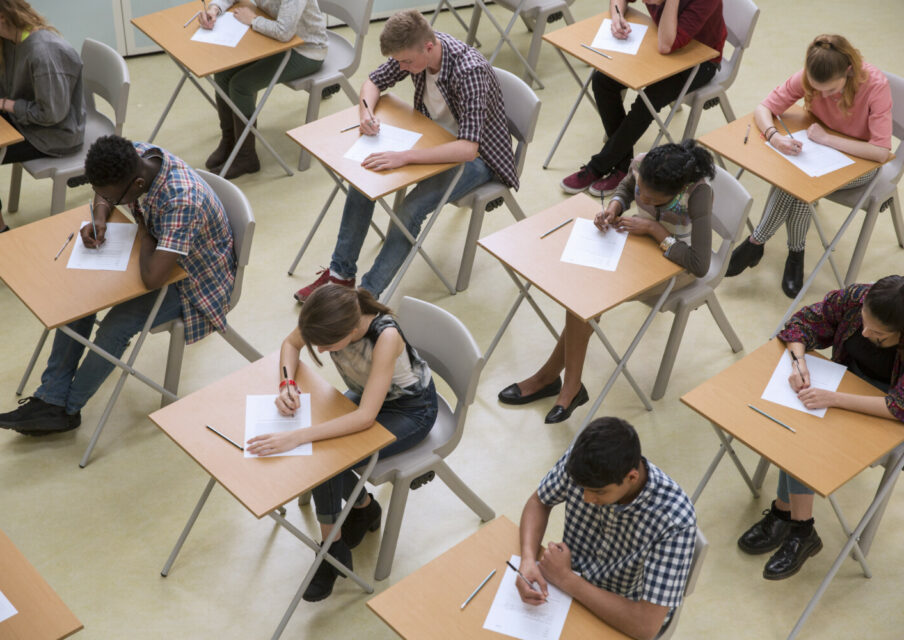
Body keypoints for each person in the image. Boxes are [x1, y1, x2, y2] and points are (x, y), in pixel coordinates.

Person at [0, 135, 235, 435]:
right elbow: (104, 193)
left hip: (195, 282)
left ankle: (67, 409)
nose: (108, 200)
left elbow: (153, 278)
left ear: (136, 185)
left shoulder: (181, 201)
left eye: (113, 198)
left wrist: (148, 233)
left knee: (117, 325)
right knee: (80, 297)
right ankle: (51, 398)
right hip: (158, 256)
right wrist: (100, 216)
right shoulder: (134, 155)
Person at [293, 9, 517, 303]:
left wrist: (405, 157)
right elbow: (372, 83)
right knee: (363, 179)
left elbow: (467, 148)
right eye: (398, 61)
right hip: (430, 140)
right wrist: (366, 113)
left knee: (409, 211)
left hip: (480, 159)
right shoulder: (413, 54)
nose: (402, 67)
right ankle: (340, 276)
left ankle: (366, 297)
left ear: (428, 46)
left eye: (406, 62)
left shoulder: (468, 71)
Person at [246, 283, 437, 602]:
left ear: (351, 328)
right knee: (321, 454)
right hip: (369, 398)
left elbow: (364, 418)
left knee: (325, 459)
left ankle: (331, 551)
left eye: (327, 345)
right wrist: (287, 384)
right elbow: (290, 344)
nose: (320, 351)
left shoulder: (385, 337)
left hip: (411, 410)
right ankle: (361, 509)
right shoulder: (330, 316)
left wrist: (295, 436)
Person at [499, 141, 715, 423]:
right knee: (584, 295)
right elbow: (626, 188)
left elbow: (700, 264)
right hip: (637, 246)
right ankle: (558, 382)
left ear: (675, 192)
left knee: (587, 298)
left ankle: (556, 381)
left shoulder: (698, 194)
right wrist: (614, 207)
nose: (644, 201)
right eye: (643, 195)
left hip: (676, 264)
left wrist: (654, 229)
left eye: (652, 201)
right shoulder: (642, 164)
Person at [737, 275, 904, 580]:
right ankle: (795, 522)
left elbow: (899, 407)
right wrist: (798, 361)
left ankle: (791, 518)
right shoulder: (856, 298)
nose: (864, 333)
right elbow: (800, 323)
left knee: (803, 437)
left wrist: (833, 399)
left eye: (878, 335)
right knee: (796, 426)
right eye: (863, 323)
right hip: (843, 385)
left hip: (884, 413)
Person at [725, 34, 893, 298]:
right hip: (818, 150)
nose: (822, 95)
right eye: (816, 89)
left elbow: (881, 152)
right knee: (799, 183)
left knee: (802, 183)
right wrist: (774, 137)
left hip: (860, 163)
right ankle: (795, 254)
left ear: (848, 71)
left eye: (830, 90)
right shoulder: (810, 75)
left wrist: (828, 140)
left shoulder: (875, 85)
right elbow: (764, 107)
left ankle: (756, 241)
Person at [517, 417, 696, 640]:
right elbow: (539, 502)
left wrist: (566, 579)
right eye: (582, 489)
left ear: (632, 477)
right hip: (569, 593)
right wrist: (526, 559)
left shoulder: (675, 521)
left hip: (619, 616)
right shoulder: (583, 462)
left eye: (598, 492)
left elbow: (645, 625)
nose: (586, 498)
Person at [560, 0, 725, 199]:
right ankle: (623, 165)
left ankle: (597, 166)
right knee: (602, 80)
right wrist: (617, 17)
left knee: (648, 99)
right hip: (659, 44)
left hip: (701, 60)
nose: (646, 3)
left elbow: (666, 45)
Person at [200, 0, 328, 179]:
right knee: (222, 75)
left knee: (241, 85)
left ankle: (246, 156)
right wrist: (215, 8)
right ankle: (229, 140)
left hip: (305, 49)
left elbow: (284, 32)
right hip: (272, 42)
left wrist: (253, 20)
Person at [0, 0, 85, 232]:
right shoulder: (10, 40)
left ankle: (1, 232)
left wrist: (6, 104)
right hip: (25, 121)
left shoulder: (45, 53)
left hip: (53, 134)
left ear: (3, 18)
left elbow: (51, 115)